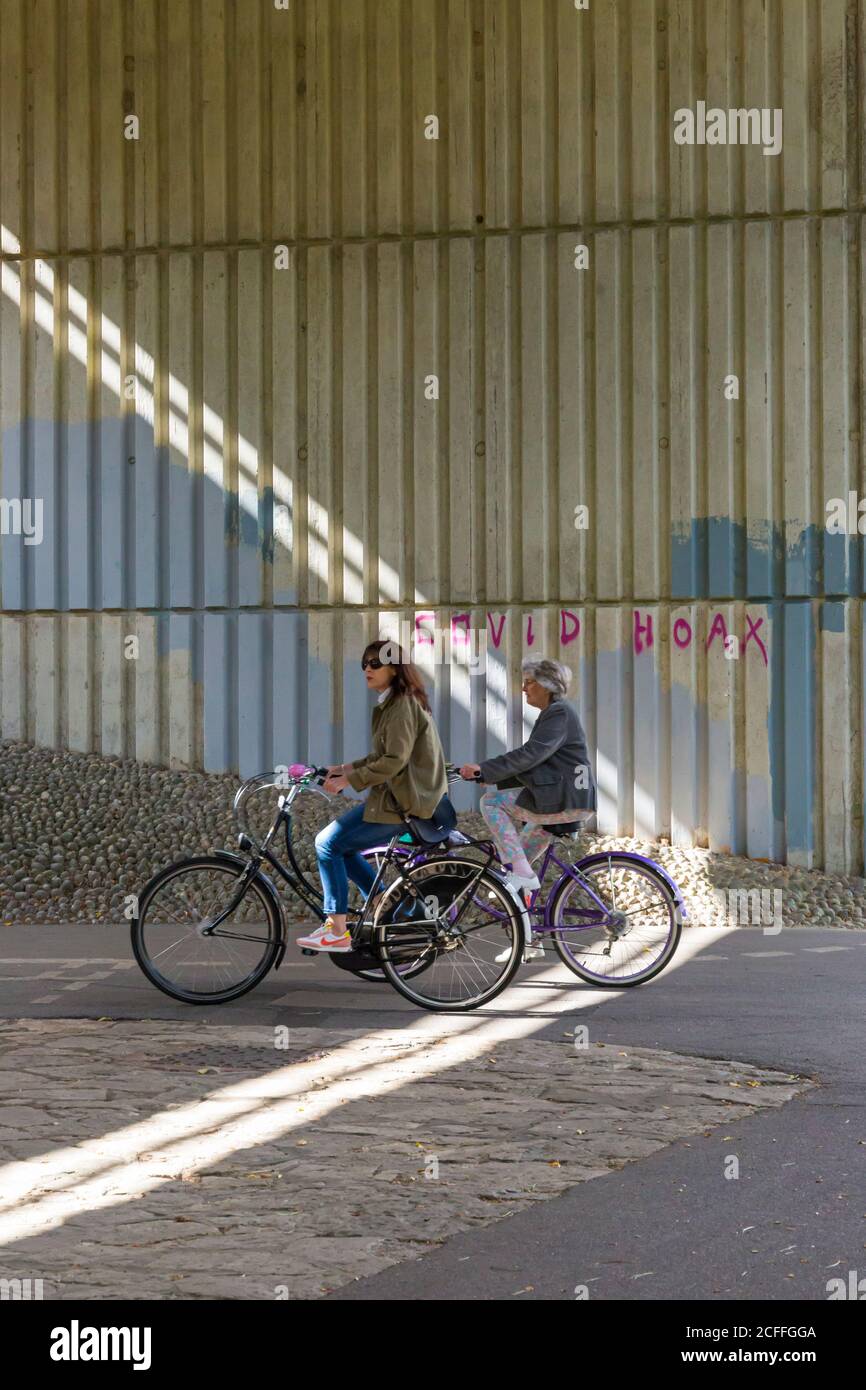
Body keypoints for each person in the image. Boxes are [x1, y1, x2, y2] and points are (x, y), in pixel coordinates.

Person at [297, 639, 448, 952]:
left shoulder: (402, 705)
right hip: (397, 800)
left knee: (327, 844)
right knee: (342, 847)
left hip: (406, 805)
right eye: (364, 663)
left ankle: (336, 929)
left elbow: (394, 761)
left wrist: (349, 780)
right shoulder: (393, 703)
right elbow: (382, 755)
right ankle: (383, 902)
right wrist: (342, 768)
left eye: (375, 663)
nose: (367, 668)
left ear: (394, 669)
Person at [460, 657, 596, 960]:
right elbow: (538, 762)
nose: (523, 688)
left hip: (564, 799)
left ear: (547, 685)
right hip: (561, 800)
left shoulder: (558, 713)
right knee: (514, 865)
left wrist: (485, 769)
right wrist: (488, 775)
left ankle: (521, 874)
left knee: (491, 804)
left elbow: (532, 754)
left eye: (530, 682)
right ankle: (529, 941)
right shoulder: (555, 714)